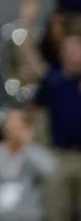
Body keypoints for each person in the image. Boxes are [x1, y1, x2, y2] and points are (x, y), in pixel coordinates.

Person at [40, 33, 81, 221]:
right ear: (61, 53)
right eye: (68, 48)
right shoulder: (53, 82)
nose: (73, 53)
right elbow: (32, 67)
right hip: (60, 157)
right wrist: (25, 24)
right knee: (56, 213)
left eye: (77, 48)